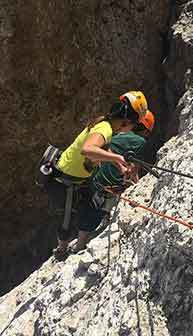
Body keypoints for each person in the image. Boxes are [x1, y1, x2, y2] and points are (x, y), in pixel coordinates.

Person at [47, 91, 151, 260]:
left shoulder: (106, 125)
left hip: (77, 177)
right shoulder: (105, 128)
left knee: (89, 204)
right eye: (134, 124)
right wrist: (117, 157)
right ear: (127, 121)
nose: (133, 129)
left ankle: (73, 245)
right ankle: (61, 249)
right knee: (67, 216)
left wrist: (119, 165)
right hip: (65, 179)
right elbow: (88, 149)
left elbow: (104, 147)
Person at [70, 110, 155, 252]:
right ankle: (81, 244)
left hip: (93, 176)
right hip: (108, 185)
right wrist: (138, 187)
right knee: (97, 210)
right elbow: (133, 169)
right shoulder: (140, 142)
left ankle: (80, 242)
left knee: (88, 208)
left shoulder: (116, 132)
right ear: (146, 131)